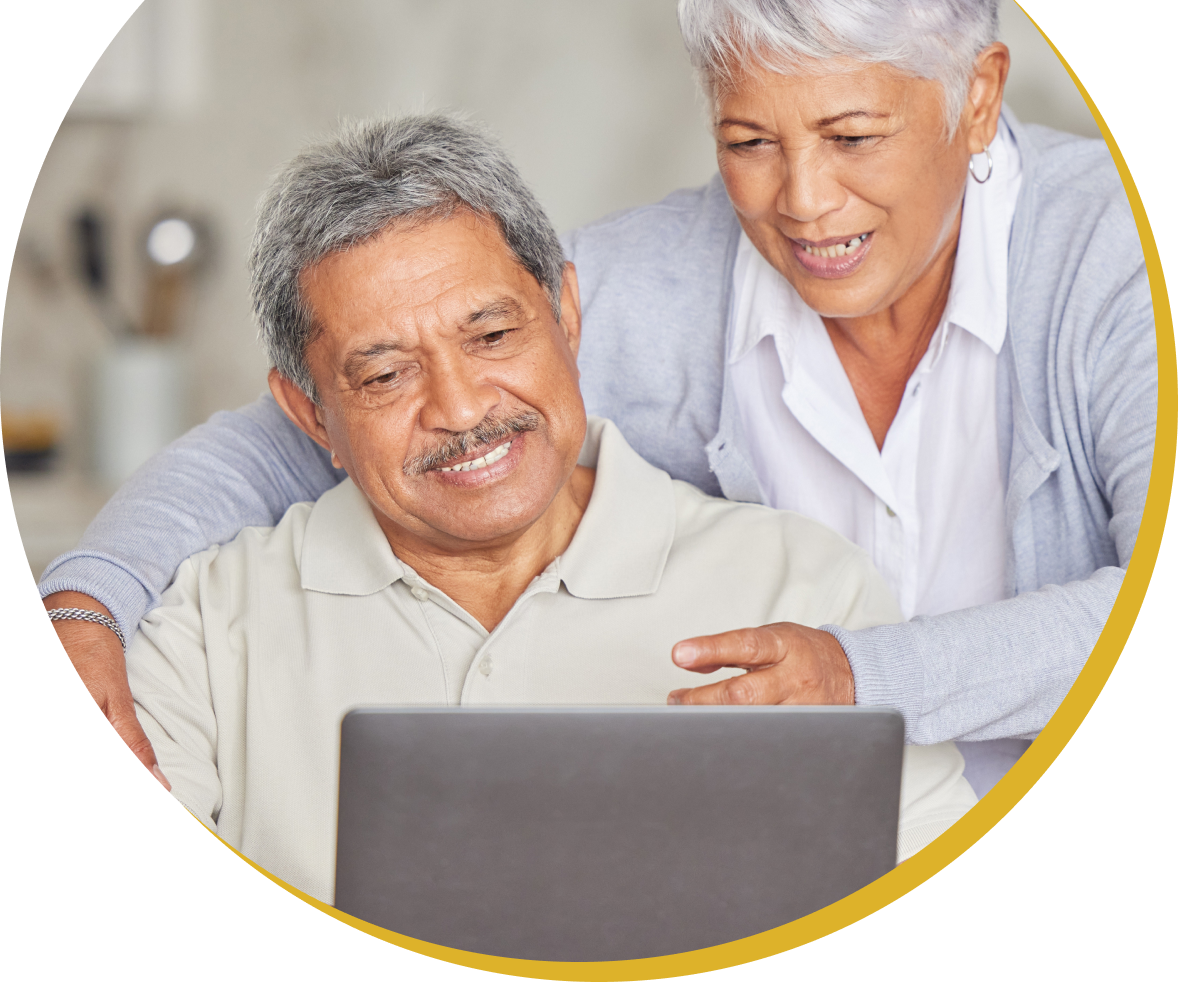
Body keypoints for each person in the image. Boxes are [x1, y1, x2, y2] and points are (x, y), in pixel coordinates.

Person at [40, 0, 1154, 799]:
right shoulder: (661, 278)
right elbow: (297, 438)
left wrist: (860, 681)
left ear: (976, 94)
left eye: (852, 136)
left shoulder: (1116, 256)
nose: (801, 201)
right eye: (747, 141)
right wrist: (88, 600)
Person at [124, 114, 974, 903]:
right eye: (384, 376)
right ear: (312, 413)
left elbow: (944, 916)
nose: (459, 408)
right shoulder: (206, 629)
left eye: (492, 337)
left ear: (566, 314)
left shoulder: (800, 587)